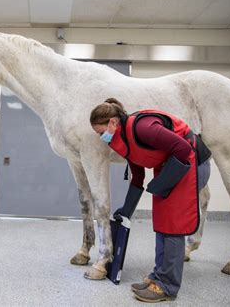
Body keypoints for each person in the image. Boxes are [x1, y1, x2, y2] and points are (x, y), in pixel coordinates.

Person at [90, 98, 211, 303]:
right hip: (173, 164)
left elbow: (183, 149)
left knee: (172, 224)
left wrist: (162, 183)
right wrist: (126, 211)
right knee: (162, 221)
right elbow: (137, 178)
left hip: (192, 163)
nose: (102, 137)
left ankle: (167, 286)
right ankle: (159, 275)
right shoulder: (123, 139)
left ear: (112, 122)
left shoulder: (142, 128)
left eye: (101, 132)